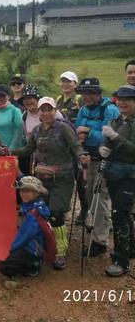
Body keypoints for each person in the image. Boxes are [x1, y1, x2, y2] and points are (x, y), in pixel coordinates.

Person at [12, 97, 89, 270]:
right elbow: (28, 150)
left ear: (55, 111)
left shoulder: (64, 128)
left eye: (50, 109)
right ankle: (47, 243)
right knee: (42, 213)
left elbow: (76, 146)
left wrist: (82, 156)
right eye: (43, 110)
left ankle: (60, 252)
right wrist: (9, 152)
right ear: (39, 112)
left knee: (56, 214)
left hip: (63, 179)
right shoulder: (37, 131)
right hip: (43, 179)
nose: (46, 113)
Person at [75, 77, 120, 257]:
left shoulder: (110, 110)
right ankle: (100, 227)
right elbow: (77, 130)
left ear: (99, 93)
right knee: (88, 196)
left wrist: (88, 132)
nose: (86, 96)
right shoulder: (83, 110)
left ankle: (100, 240)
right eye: (84, 93)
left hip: (105, 160)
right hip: (87, 159)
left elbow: (110, 136)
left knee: (100, 198)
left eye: (91, 93)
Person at [98, 85, 135, 276]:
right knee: (123, 212)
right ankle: (131, 248)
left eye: (127, 100)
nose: (122, 102)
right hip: (113, 173)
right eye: (119, 99)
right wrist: (103, 147)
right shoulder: (117, 120)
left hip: (129, 175)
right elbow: (107, 140)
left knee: (119, 213)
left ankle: (122, 261)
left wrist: (116, 138)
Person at [0, 176, 50, 277]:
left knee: (6, 268)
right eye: (22, 191)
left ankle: (33, 265)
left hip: (32, 248)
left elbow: (25, 235)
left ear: (36, 193)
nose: (23, 194)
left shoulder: (33, 213)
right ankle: (33, 261)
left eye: (28, 191)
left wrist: (13, 248)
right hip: (34, 245)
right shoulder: (33, 205)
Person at [55, 72, 85, 226]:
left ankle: (85, 209)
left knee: (80, 179)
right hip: (61, 144)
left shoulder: (79, 99)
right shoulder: (58, 99)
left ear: (75, 84)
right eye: (63, 81)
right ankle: (63, 207)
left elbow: (82, 117)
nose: (66, 84)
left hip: (75, 142)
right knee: (66, 178)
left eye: (69, 82)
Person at [0, 85, 23, 152]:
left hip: (11, 150)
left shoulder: (15, 111)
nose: (0, 98)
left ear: (8, 96)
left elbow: (19, 132)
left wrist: (11, 149)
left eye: (3, 96)